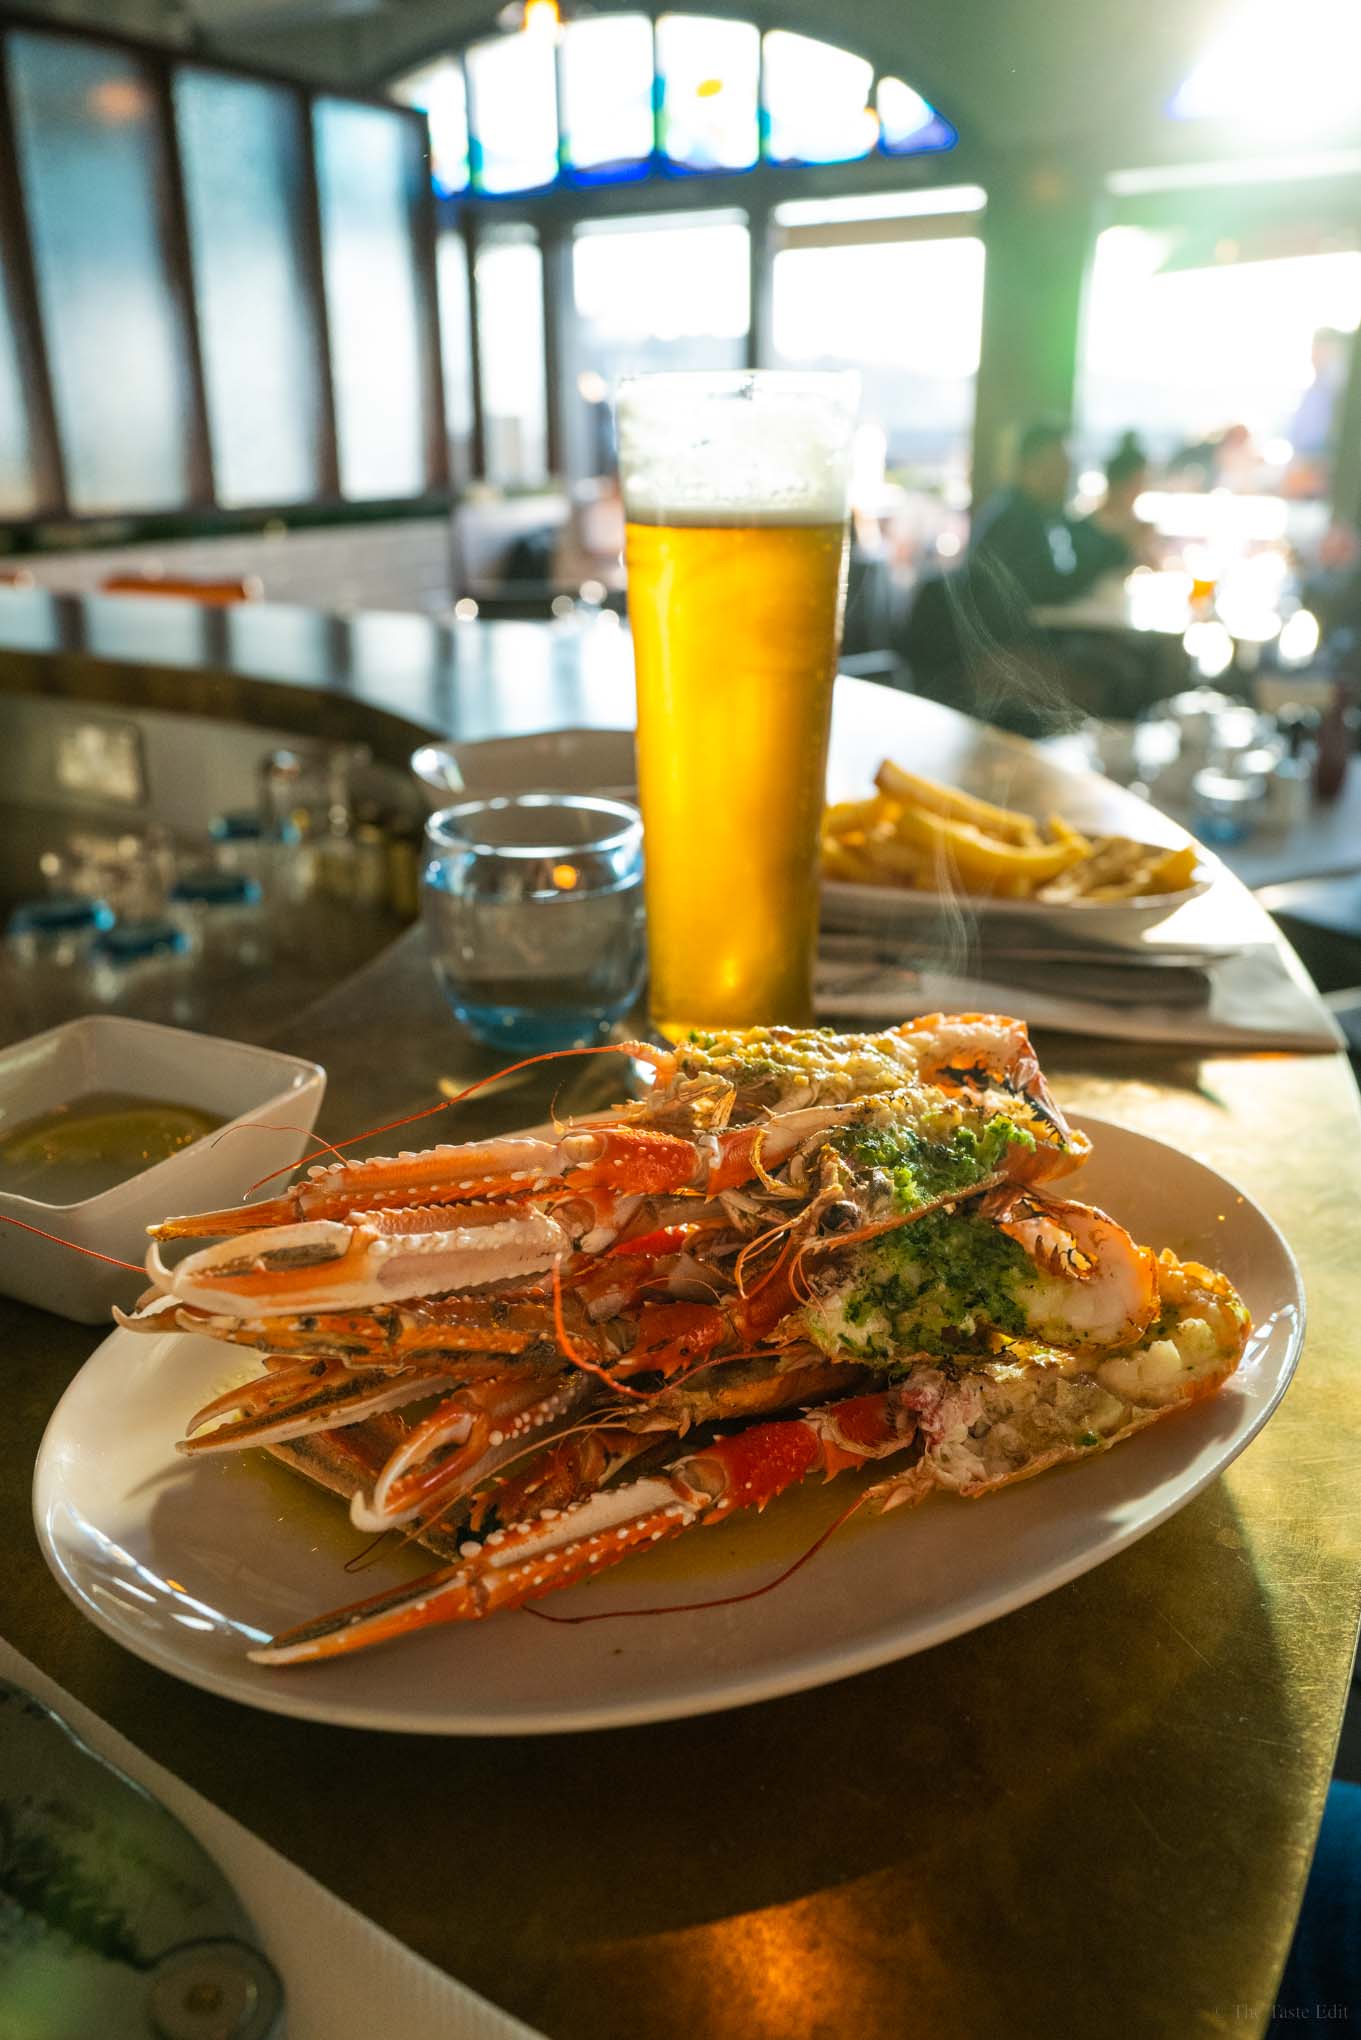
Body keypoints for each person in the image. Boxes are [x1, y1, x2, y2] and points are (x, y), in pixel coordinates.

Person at [1073, 434, 1159, 577]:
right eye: (1136, 484)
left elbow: (1151, 566)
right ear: (1117, 484)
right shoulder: (1086, 528)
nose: (1140, 490)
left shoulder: (1134, 526)